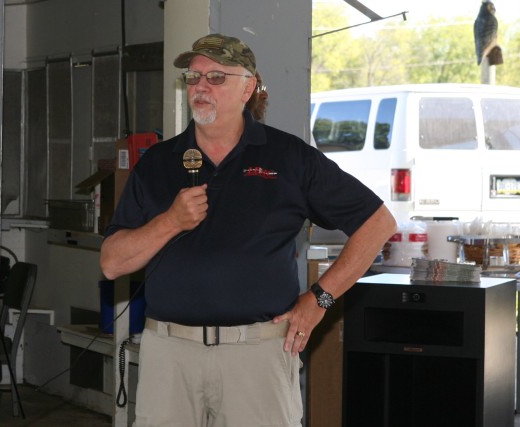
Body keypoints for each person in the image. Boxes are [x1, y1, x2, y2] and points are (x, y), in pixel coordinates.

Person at [100, 33, 396, 427]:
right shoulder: (157, 162)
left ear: (248, 86)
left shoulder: (288, 156)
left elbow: (379, 223)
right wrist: (169, 222)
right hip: (169, 352)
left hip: (256, 355)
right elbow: (112, 264)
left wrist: (319, 300)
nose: (201, 86)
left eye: (217, 77)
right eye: (193, 77)